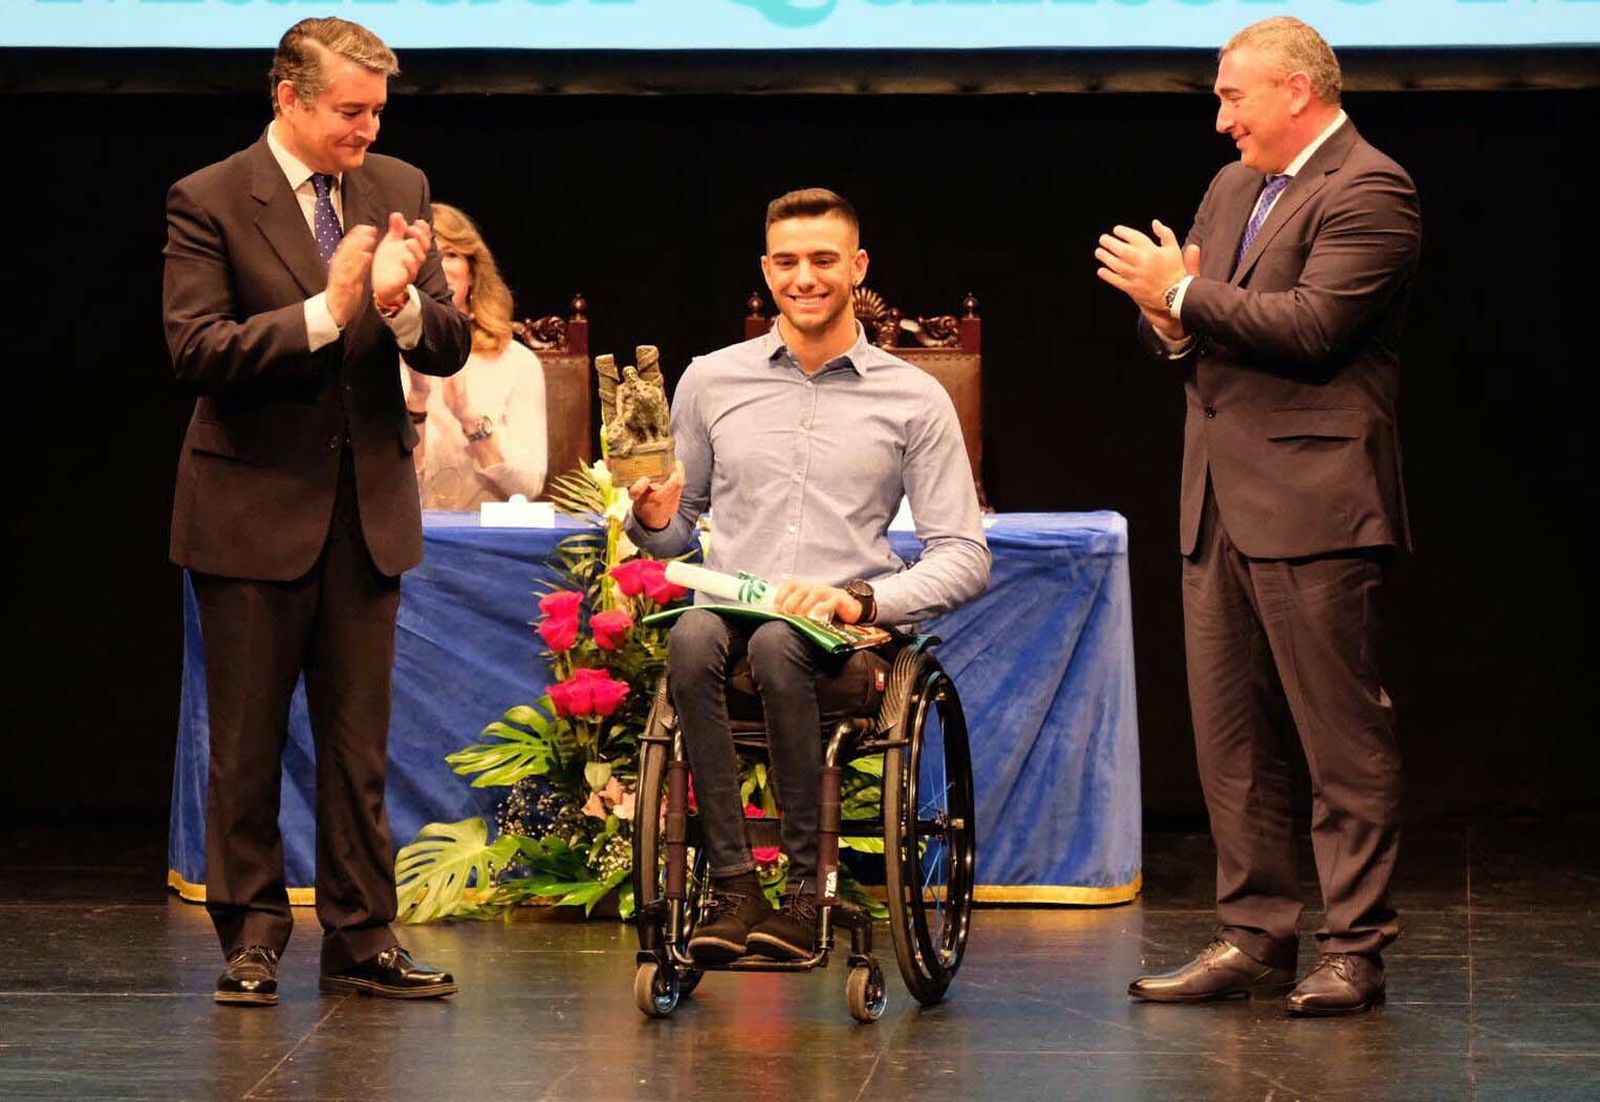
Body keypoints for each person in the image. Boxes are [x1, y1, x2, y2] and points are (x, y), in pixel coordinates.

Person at [1095, 16, 1419, 1016]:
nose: (1221, 118)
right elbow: (1205, 335)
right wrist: (1168, 322)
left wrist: (1183, 294)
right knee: (1232, 742)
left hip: (1315, 502)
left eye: (1232, 95)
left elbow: (1314, 328)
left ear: (1293, 91)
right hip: (1216, 501)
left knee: (1338, 742)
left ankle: (1353, 950)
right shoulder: (1236, 188)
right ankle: (1255, 936)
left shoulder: (1371, 186)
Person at [163, 17, 473, 1006]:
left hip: (366, 511)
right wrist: (330, 311)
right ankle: (252, 937)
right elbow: (197, 350)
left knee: (357, 745)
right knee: (248, 743)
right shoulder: (209, 198)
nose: (367, 129)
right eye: (349, 110)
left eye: (378, 110)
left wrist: (396, 309)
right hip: (252, 511)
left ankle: (362, 938)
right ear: (288, 99)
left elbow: (448, 345)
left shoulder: (398, 188)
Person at [625, 188, 990, 964]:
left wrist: (863, 596)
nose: (805, 277)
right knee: (691, 637)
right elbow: (674, 536)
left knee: (780, 648)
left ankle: (803, 891)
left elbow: (965, 554)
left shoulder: (914, 399)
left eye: (824, 260)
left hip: (843, 642)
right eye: (787, 261)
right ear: (767, 269)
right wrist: (656, 518)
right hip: (729, 623)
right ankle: (732, 886)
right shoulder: (710, 381)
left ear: (857, 267)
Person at [402, 202, 548, 508]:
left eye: (450, 255)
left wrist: (469, 417)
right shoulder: (377, 358)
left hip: (485, 547)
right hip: (404, 546)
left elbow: (529, 486)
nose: (438, 269)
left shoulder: (517, 363)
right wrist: (416, 406)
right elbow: (381, 495)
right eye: (426, 258)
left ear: (472, 271)